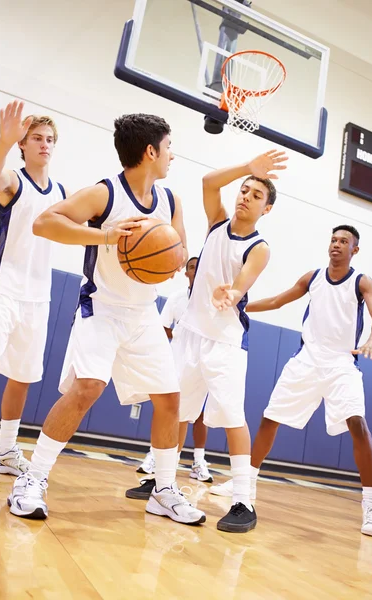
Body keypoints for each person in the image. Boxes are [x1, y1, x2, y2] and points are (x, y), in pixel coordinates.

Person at [7, 113, 205, 527]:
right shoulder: (105, 193)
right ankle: (32, 479)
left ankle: (164, 490)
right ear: (150, 151)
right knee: (87, 389)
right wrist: (108, 236)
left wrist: (171, 256)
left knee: (170, 400)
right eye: (169, 147)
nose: (173, 156)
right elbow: (46, 222)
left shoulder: (170, 201)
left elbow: (179, 254)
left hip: (143, 312)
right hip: (102, 308)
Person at [126, 150, 287, 532]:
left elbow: (243, 282)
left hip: (226, 342)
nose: (245, 196)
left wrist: (230, 294)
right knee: (174, 411)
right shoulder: (217, 223)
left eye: (256, 195)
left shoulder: (259, 247)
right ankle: (162, 482)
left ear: (266, 209)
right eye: (244, 190)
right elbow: (208, 182)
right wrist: (247, 167)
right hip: (189, 336)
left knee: (232, 417)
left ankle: (243, 502)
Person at [212, 225, 372, 538]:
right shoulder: (313, 277)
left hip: (341, 363)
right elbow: (279, 300)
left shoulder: (361, 281)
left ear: (354, 250)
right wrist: (239, 304)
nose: (336, 245)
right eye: (333, 239)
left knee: (358, 424)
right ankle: (244, 483)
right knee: (269, 418)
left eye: (343, 241)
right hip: (306, 361)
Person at [0, 100, 66, 477]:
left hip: (38, 296)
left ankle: (5, 450)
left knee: (22, 376)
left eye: (49, 139)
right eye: (36, 138)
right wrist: (3, 141)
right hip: (2, 289)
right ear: (24, 144)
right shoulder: (14, 180)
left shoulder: (61, 192)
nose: (44, 144)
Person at [137, 257, 213, 483]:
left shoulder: (212, 298)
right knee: (169, 407)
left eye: (199, 266)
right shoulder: (177, 299)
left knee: (198, 413)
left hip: (203, 359)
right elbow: (163, 326)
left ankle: (197, 461)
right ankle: (157, 457)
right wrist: (179, 335)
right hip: (177, 357)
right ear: (185, 273)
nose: (195, 269)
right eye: (191, 266)